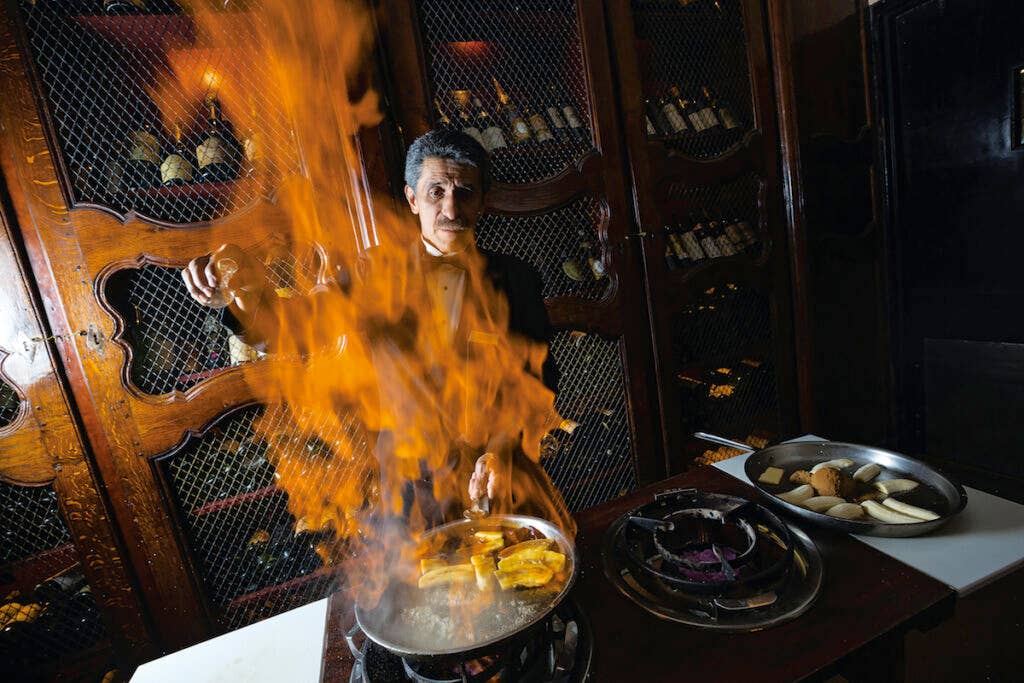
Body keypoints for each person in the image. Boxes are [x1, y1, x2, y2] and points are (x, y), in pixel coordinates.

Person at [181, 129, 563, 525]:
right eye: (436, 192)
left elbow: (541, 381)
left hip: (502, 480)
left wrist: (500, 450)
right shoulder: (372, 272)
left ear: (482, 201)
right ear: (413, 199)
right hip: (410, 494)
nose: (451, 209)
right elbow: (293, 328)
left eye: (465, 192)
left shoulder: (519, 280)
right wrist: (237, 297)